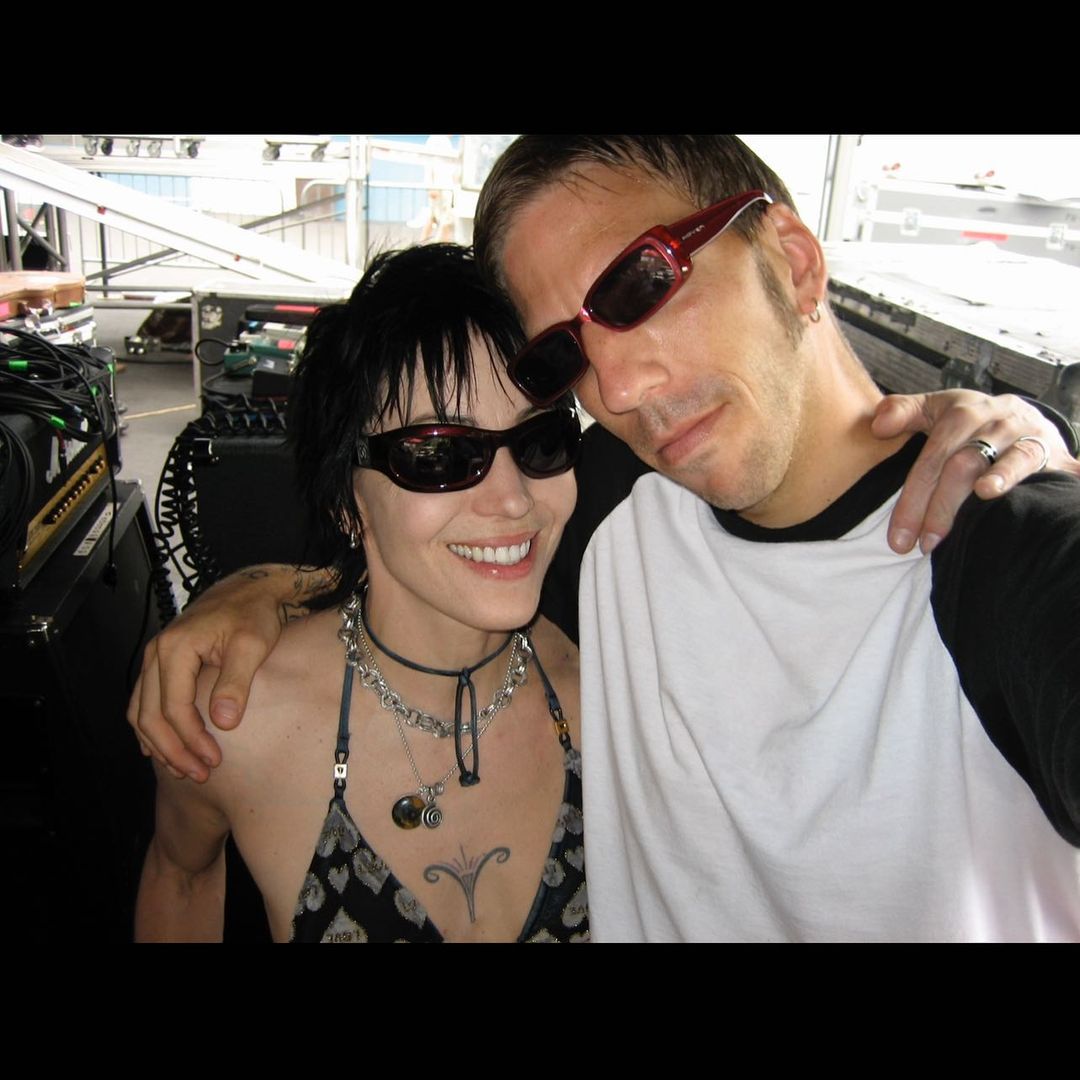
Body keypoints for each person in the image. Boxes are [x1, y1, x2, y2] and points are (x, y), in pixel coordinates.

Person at [132, 137, 1080, 941]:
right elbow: (414, 562)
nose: (616, 391)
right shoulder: (622, 506)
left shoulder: (1008, 559)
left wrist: (1033, 431)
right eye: (569, 353)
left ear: (793, 262)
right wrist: (250, 594)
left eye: (642, 286)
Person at [136, 244, 587, 942]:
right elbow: (182, 875)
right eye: (438, 454)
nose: (512, 499)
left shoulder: (606, 700)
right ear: (347, 503)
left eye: (539, 440)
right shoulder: (232, 724)